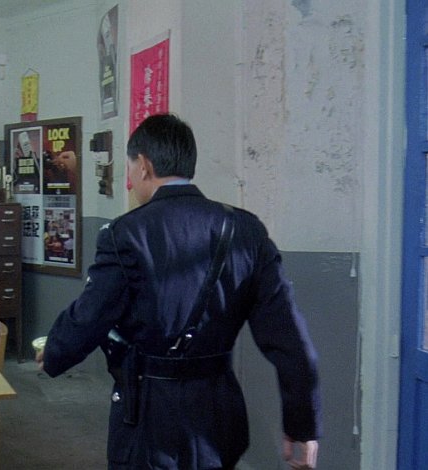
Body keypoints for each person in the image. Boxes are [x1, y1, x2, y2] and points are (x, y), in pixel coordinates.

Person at [37, 114, 321, 470]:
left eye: (130, 168)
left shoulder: (125, 233)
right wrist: (302, 424)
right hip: (220, 413)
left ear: (144, 165)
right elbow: (289, 338)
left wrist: (56, 351)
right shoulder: (246, 230)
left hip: (149, 414)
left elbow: (92, 312)